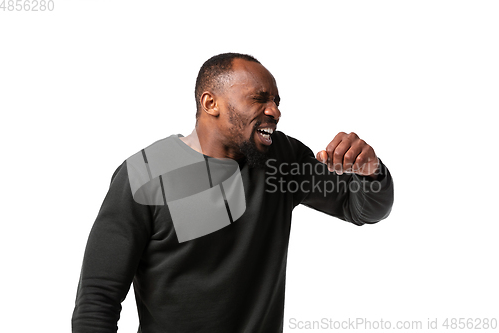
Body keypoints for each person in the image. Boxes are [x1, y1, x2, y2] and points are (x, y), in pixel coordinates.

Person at [72, 53, 394, 333]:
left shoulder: (281, 160)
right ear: (210, 103)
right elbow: (98, 298)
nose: (275, 112)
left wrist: (371, 172)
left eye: (277, 102)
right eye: (260, 98)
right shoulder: (144, 174)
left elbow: (362, 210)